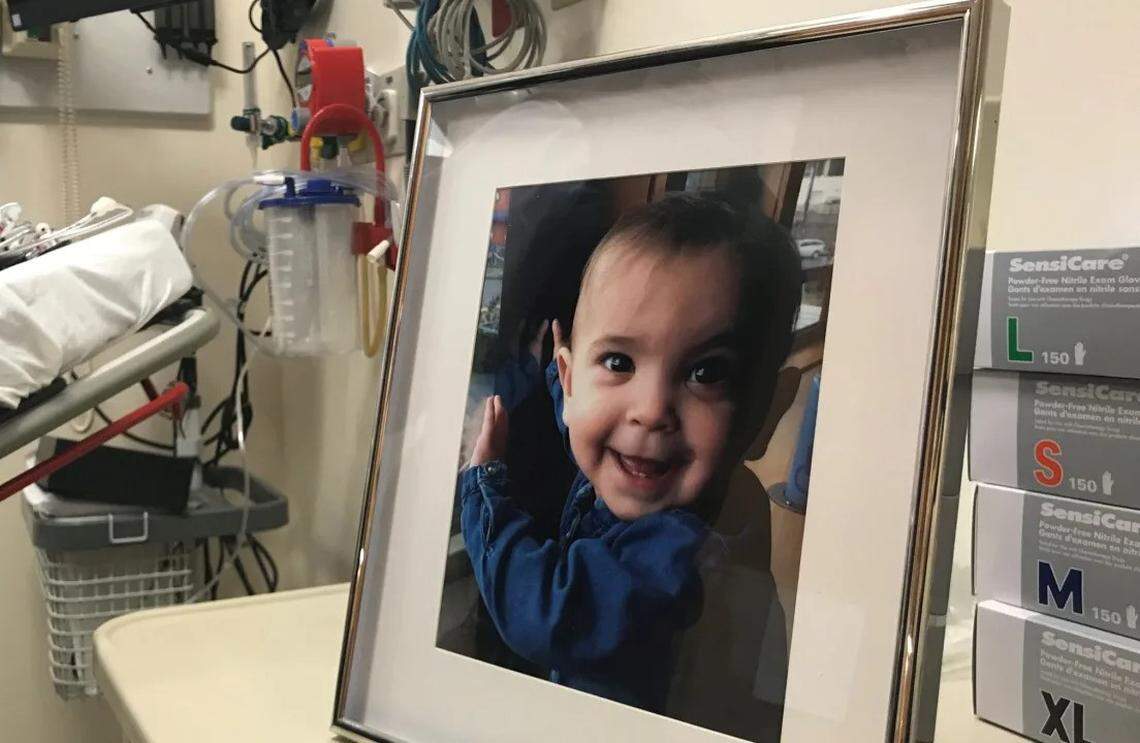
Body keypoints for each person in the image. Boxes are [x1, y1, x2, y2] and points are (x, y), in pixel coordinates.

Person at [456, 192, 802, 715]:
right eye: (619, 362)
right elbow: (588, 420)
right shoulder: (661, 469)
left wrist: (483, 488)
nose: (650, 410)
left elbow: (547, 614)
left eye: (705, 373)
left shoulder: (681, 551)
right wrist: (562, 381)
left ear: (766, 412)